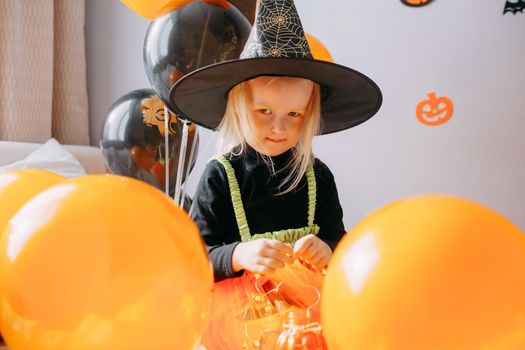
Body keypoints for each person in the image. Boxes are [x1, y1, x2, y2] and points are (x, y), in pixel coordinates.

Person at [169, 0, 382, 348]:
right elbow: (197, 258)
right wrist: (239, 254)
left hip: (308, 315)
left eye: (294, 114)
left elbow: (339, 241)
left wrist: (327, 249)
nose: (278, 127)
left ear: (309, 115)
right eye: (264, 111)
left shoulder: (318, 177)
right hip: (243, 319)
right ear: (239, 107)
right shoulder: (221, 177)